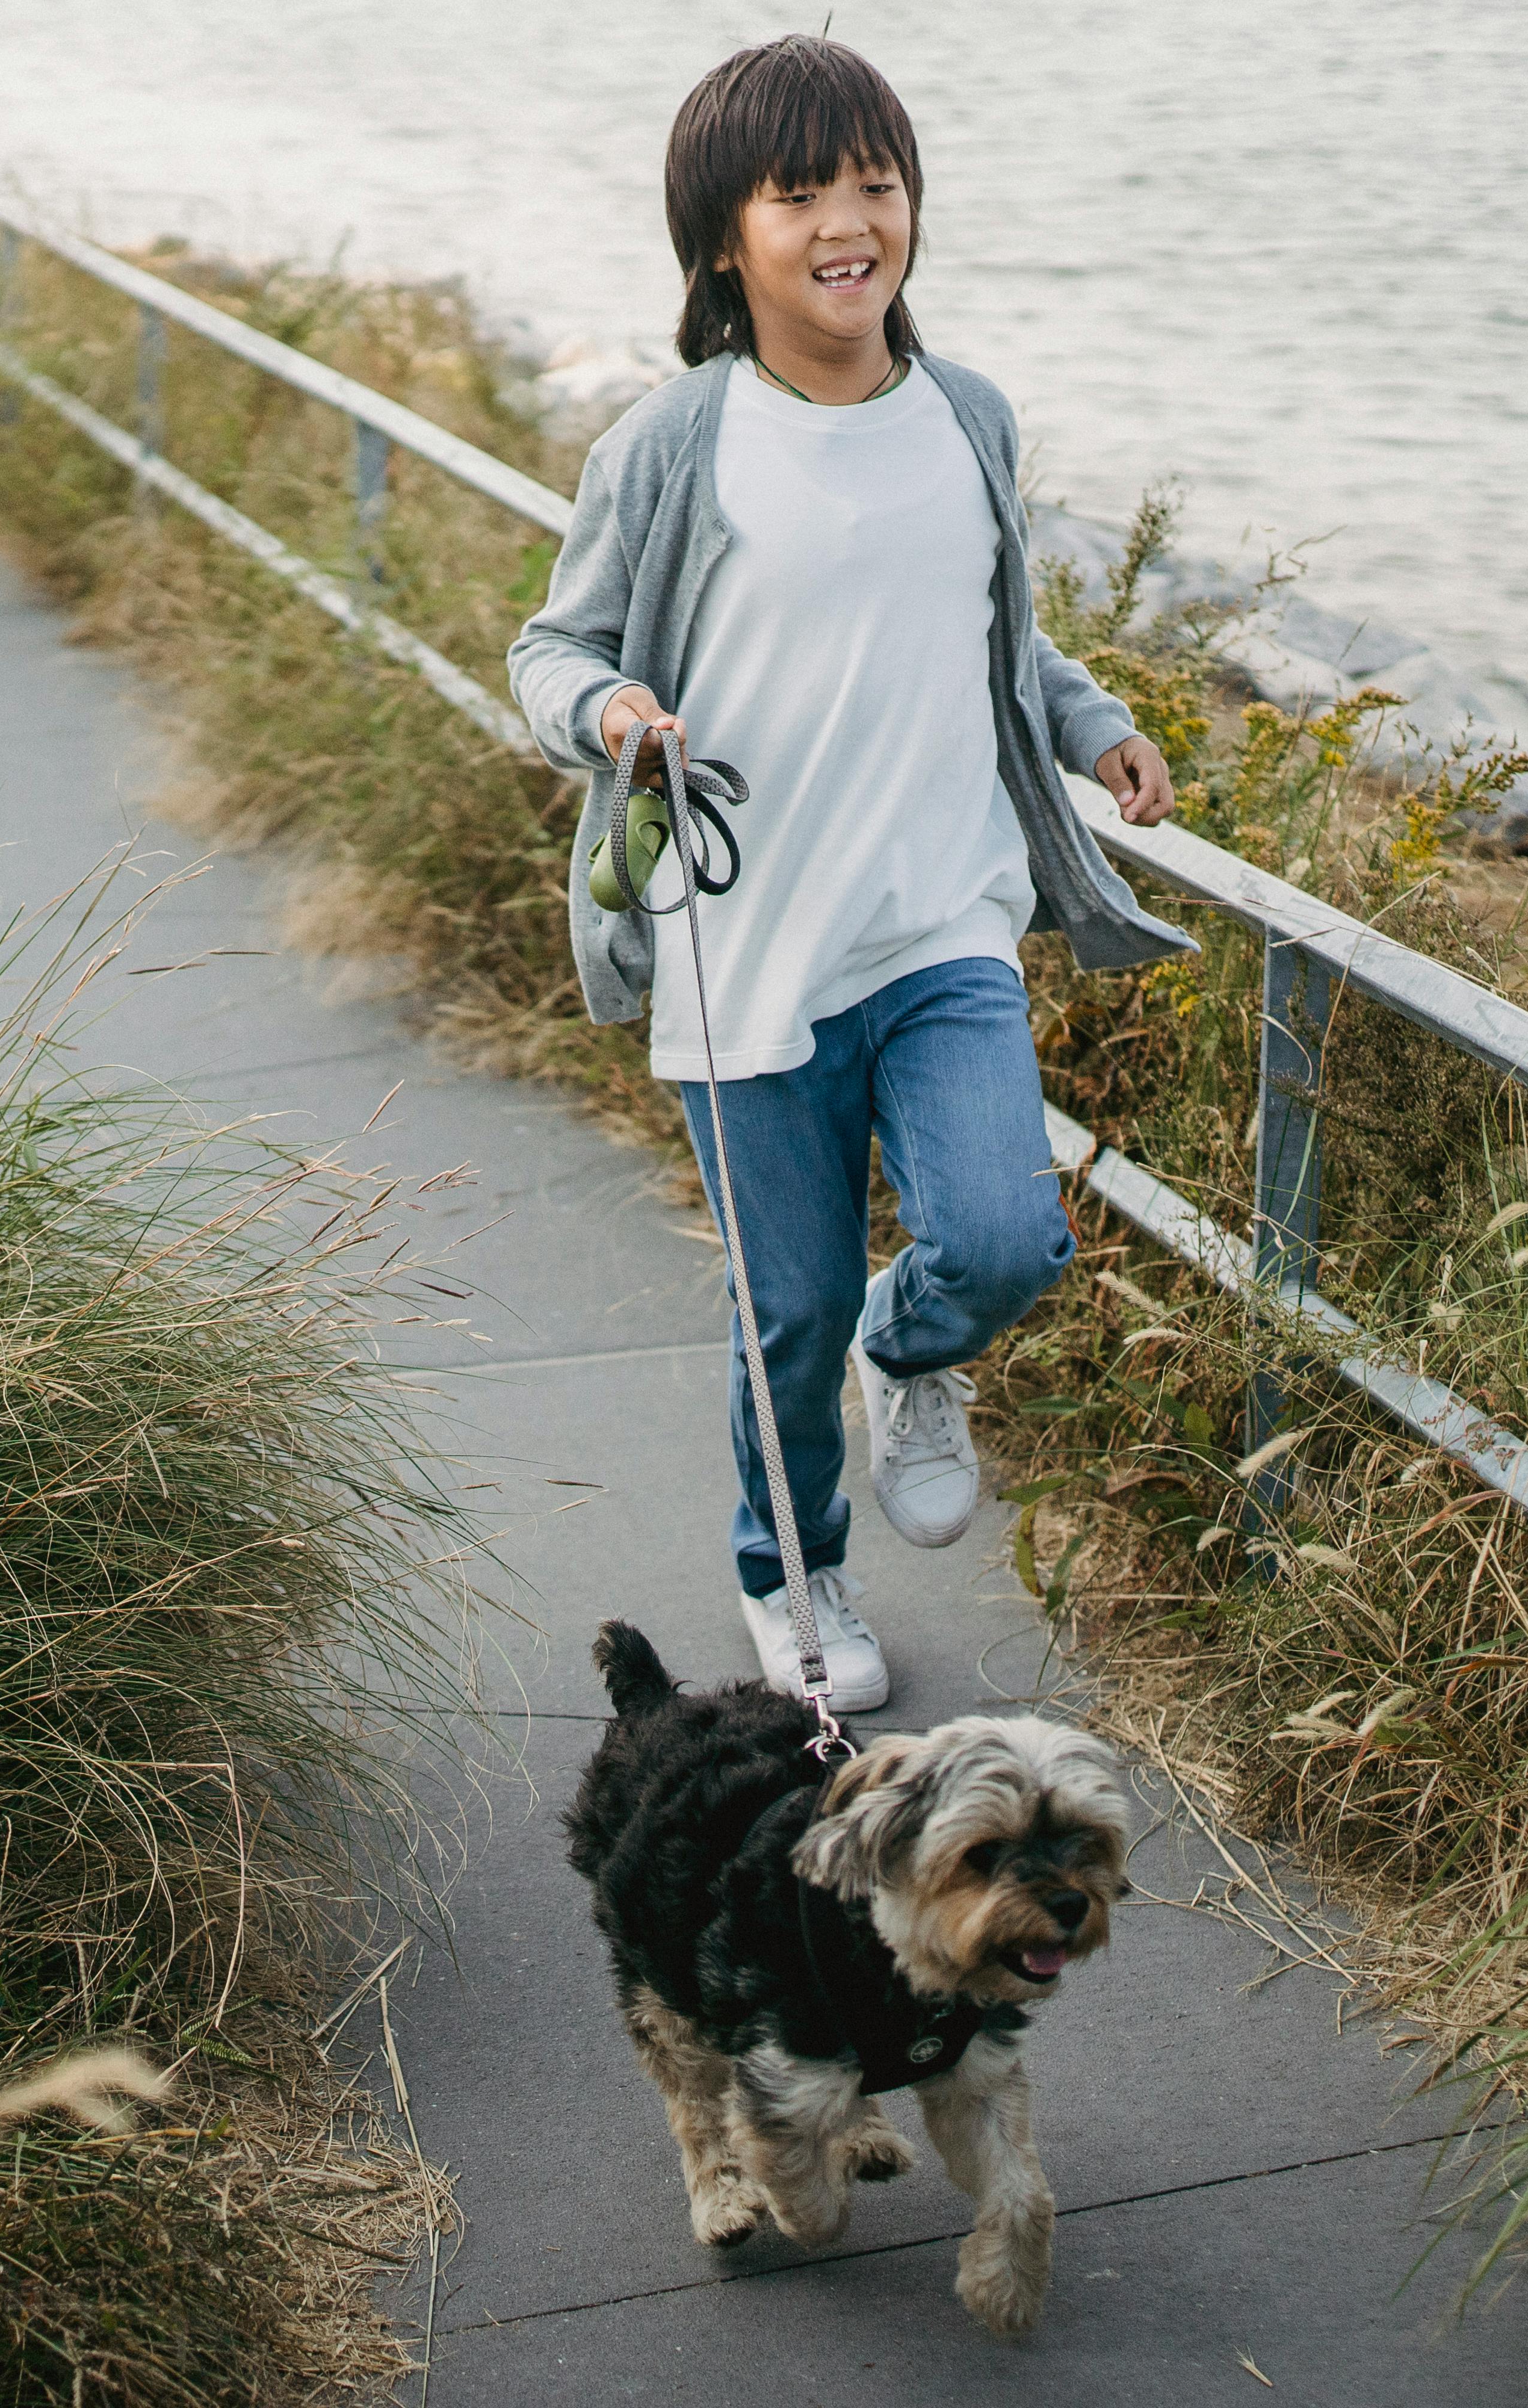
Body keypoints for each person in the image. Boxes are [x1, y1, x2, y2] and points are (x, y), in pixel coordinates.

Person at [508, 34, 1193, 1714]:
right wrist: (607, 710)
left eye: (874, 183)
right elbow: (554, 642)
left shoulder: (967, 416)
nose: (847, 222)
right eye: (798, 191)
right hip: (744, 953)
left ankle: (920, 1346)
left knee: (1006, 1240)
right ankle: (793, 1575)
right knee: (784, 1315)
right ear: (724, 238)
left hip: (940, 923)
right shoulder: (674, 445)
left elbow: (1001, 625)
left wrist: (1094, 723)